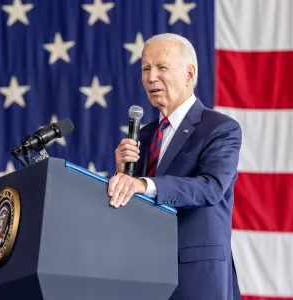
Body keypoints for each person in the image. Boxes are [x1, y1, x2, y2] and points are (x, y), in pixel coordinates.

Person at [107, 33, 242, 300]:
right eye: (146, 68)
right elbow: (133, 209)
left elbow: (211, 188)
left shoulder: (220, 128)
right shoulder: (142, 137)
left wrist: (144, 184)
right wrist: (121, 176)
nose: (151, 77)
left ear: (190, 74)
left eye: (161, 67)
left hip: (196, 278)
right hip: (142, 274)